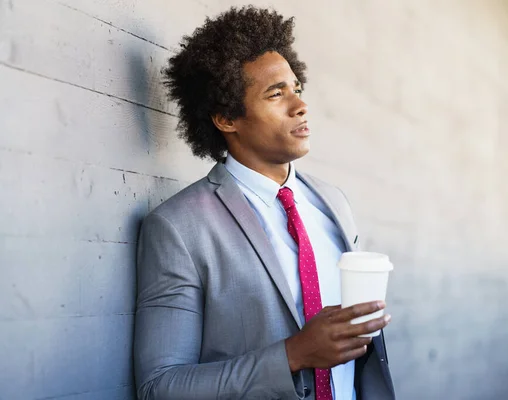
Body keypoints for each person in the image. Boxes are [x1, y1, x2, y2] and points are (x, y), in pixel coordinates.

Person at [133, 6, 395, 400]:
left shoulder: (333, 203)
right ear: (226, 118)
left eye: (296, 89)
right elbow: (160, 386)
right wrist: (293, 355)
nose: (299, 105)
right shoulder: (178, 227)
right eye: (276, 93)